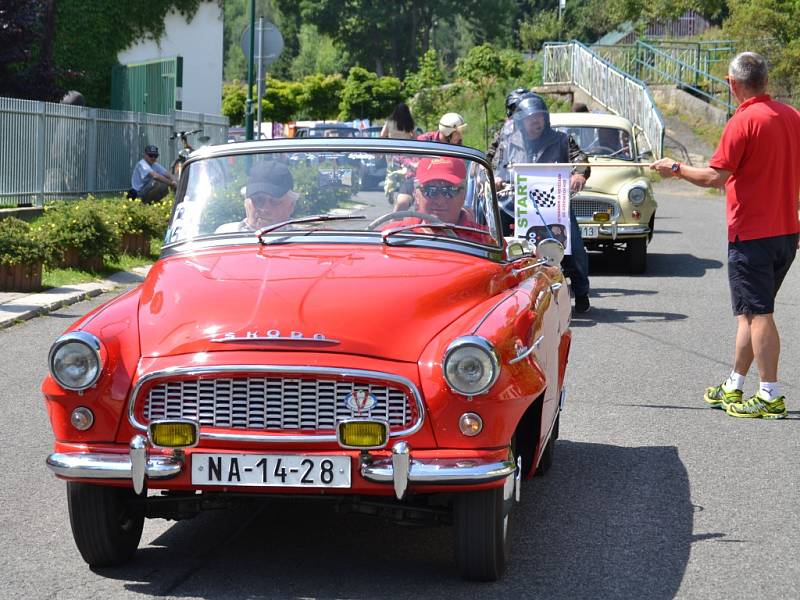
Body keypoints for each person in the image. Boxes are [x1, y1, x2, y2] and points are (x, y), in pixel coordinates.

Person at [651, 51, 800, 419]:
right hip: (785, 233)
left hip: (752, 235)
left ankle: (770, 394)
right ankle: (734, 385)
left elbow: (715, 177)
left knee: (759, 313)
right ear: (765, 80)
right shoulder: (792, 117)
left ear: (732, 85)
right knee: (749, 314)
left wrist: (676, 168)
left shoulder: (743, 122)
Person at [495, 94, 592, 313]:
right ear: (520, 120)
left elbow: (580, 159)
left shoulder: (561, 139)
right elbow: (493, 163)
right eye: (531, 118)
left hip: (554, 207)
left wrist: (579, 174)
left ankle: (582, 290)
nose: (536, 121)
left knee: (575, 247)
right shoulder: (507, 142)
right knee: (493, 236)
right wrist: (496, 177)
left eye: (540, 117)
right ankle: (495, 284)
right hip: (515, 204)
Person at [216, 161, 298, 233]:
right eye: (258, 200)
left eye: (274, 202)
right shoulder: (225, 233)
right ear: (246, 203)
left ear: (291, 206)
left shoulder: (304, 238)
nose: (265, 208)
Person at [488, 88, 529, 165]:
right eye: (515, 110)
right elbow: (491, 153)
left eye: (522, 110)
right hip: (505, 175)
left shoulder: (538, 132)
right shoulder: (505, 132)